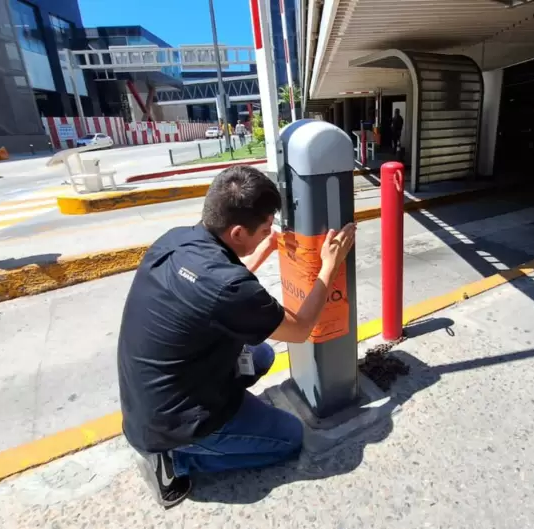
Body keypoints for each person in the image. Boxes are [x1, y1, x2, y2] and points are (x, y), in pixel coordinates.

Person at [117, 164, 356, 508]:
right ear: (238, 232)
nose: (269, 232)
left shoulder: (178, 239)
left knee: (262, 356)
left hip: (151, 398)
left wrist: (266, 249)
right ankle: (177, 461)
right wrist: (330, 265)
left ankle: (226, 419)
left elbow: (215, 288)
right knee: (291, 438)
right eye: (265, 229)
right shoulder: (229, 287)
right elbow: (301, 329)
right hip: (173, 422)